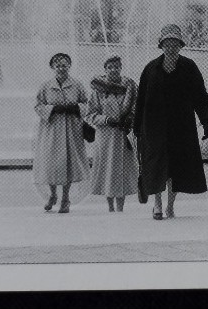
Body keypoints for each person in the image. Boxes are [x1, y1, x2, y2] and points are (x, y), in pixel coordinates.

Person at [134, 24, 208, 220]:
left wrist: (206, 122)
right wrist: (136, 128)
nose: (171, 47)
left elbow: (200, 97)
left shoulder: (189, 67)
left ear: (180, 45)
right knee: (157, 165)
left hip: (181, 127)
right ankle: (157, 204)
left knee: (176, 167)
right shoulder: (151, 69)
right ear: (161, 45)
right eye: (167, 44)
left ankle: (170, 205)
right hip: (154, 127)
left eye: (174, 44)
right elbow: (140, 100)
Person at [33, 52, 89, 214]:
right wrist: (52, 109)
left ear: (69, 66)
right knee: (52, 163)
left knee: (68, 163)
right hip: (52, 130)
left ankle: (65, 198)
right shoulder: (46, 86)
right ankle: (52, 195)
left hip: (71, 129)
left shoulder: (77, 85)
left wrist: (76, 108)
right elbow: (38, 106)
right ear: (53, 67)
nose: (61, 68)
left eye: (64, 65)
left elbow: (86, 103)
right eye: (58, 65)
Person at [87, 56, 138, 212]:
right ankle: (110, 208)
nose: (114, 70)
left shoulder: (129, 86)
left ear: (121, 68)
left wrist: (130, 118)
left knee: (120, 172)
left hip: (123, 135)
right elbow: (90, 114)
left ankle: (121, 208)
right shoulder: (98, 89)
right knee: (107, 171)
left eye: (117, 67)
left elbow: (136, 108)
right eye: (110, 67)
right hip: (106, 136)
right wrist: (106, 119)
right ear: (105, 69)